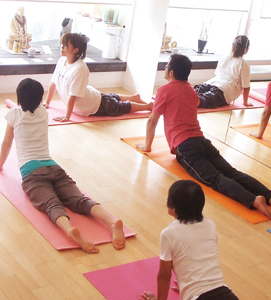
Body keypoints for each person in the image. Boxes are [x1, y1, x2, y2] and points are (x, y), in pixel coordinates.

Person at [137, 54, 271, 220]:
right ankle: (270, 196)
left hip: (185, 148)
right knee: (232, 172)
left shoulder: (164, 90)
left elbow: (153, 120)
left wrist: (147, 145)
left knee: (216, 179)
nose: (165, 69)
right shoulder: (190, 89)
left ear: (171, 72)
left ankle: (253, 200)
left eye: (166, 67)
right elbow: (194, 103)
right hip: (202, 141)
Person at [0, 78, 126, 254]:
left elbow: (6, 143)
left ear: (19, 99)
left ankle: (69, 230)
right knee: (79, 199)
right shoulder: (44, 112)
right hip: (53, 167)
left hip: (32, 173)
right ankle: (112, 222)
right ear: (39, 99)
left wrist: (0, 165)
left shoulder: (13, 115)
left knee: (51, 204)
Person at [141, 180, 239, 300]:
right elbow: (201, 258)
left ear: (173, 207)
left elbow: (164, 275)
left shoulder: (168, 234)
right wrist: (186, 287)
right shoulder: (210, 225)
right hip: (225, 293)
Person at [44, 33, 153, 122]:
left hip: (92, 105)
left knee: (118, 107)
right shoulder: (62, 60)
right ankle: (135, 98)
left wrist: (67, 116)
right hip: (90, 96)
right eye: (62, 45)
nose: (61, 47)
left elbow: (72, 96)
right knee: (110, 98)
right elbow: (53, 82)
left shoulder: (80, 68)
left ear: (75, 50)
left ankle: (148, 106)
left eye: (65, 45)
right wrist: (47, 102)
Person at [194, 35, 253, 108]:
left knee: (193, 93)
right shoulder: (244, 64)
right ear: (246, 49)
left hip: (210, 83)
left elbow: (217, 73)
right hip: (223, 91)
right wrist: (245, 102)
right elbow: (246, 86)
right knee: (200, 100)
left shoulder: (224, 57)